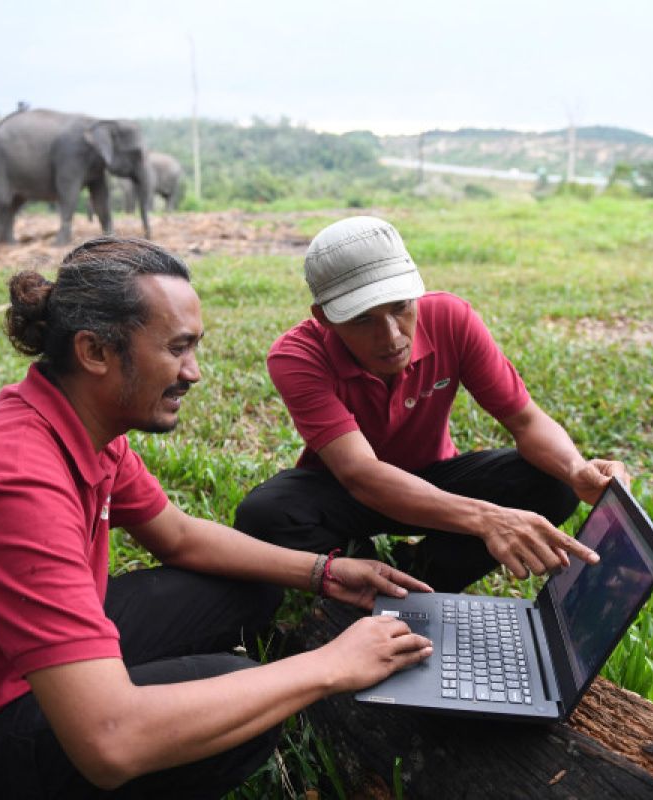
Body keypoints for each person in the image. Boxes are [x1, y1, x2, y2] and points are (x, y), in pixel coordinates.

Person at [0, 236, 434, 800]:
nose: (194, 372)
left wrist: (322, 572)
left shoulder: (73, 423)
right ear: (94, 351)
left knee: (246, 588)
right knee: (235, 717)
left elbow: (176, 535)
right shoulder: (14, 483)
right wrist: (329, 667)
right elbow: (111, 744)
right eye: (177, 348)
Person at [234, 216, 630, 593]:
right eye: (362, 320)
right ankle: (360, 567)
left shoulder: (452, 319)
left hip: (434, 478)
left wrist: (577, 470)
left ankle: (418, 575)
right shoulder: (296, 356)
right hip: (346, 490)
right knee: (265, 515)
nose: (390, 337)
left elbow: (525, 421)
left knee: (553, 483)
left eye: (400, 307)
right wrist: (489, 519)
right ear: (324, 318)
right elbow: (359, 473)